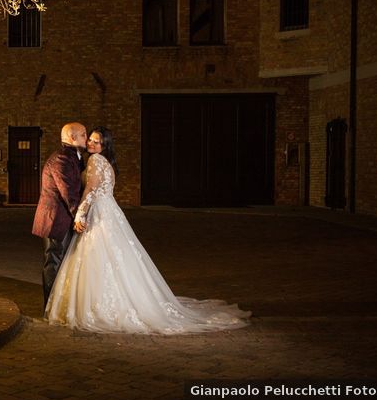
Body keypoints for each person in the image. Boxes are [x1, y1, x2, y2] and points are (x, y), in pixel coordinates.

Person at [46, 126, 251, 334]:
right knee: (115, 258)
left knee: (98, 256)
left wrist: (80, 213)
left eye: (96, 141)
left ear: (104, 145)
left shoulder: (95, 160)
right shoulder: (107, 163)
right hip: (109, 212)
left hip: (99, 212)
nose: (91, 143)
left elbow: (90, 190)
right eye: (89, 139)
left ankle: (100, 304)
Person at [32, 122, 88, 311]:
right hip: (56, 220)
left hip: (65, 219)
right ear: (72, 138)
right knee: (53, 263)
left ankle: (61, 304)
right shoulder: (61, 159)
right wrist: (79, 216)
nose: (86, 138)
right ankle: (49, 307)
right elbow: (68, 192)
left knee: (64, 262)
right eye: (83, 134)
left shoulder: (76, 158)